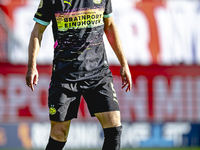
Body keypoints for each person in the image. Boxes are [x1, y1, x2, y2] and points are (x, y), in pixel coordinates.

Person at [26, 0, 132, 149]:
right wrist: (32, 66)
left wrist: (124, 63)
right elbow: (37, 31)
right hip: (64, 77)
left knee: (114, 127)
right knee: (59, 133)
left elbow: (109, 25)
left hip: (98, 73)